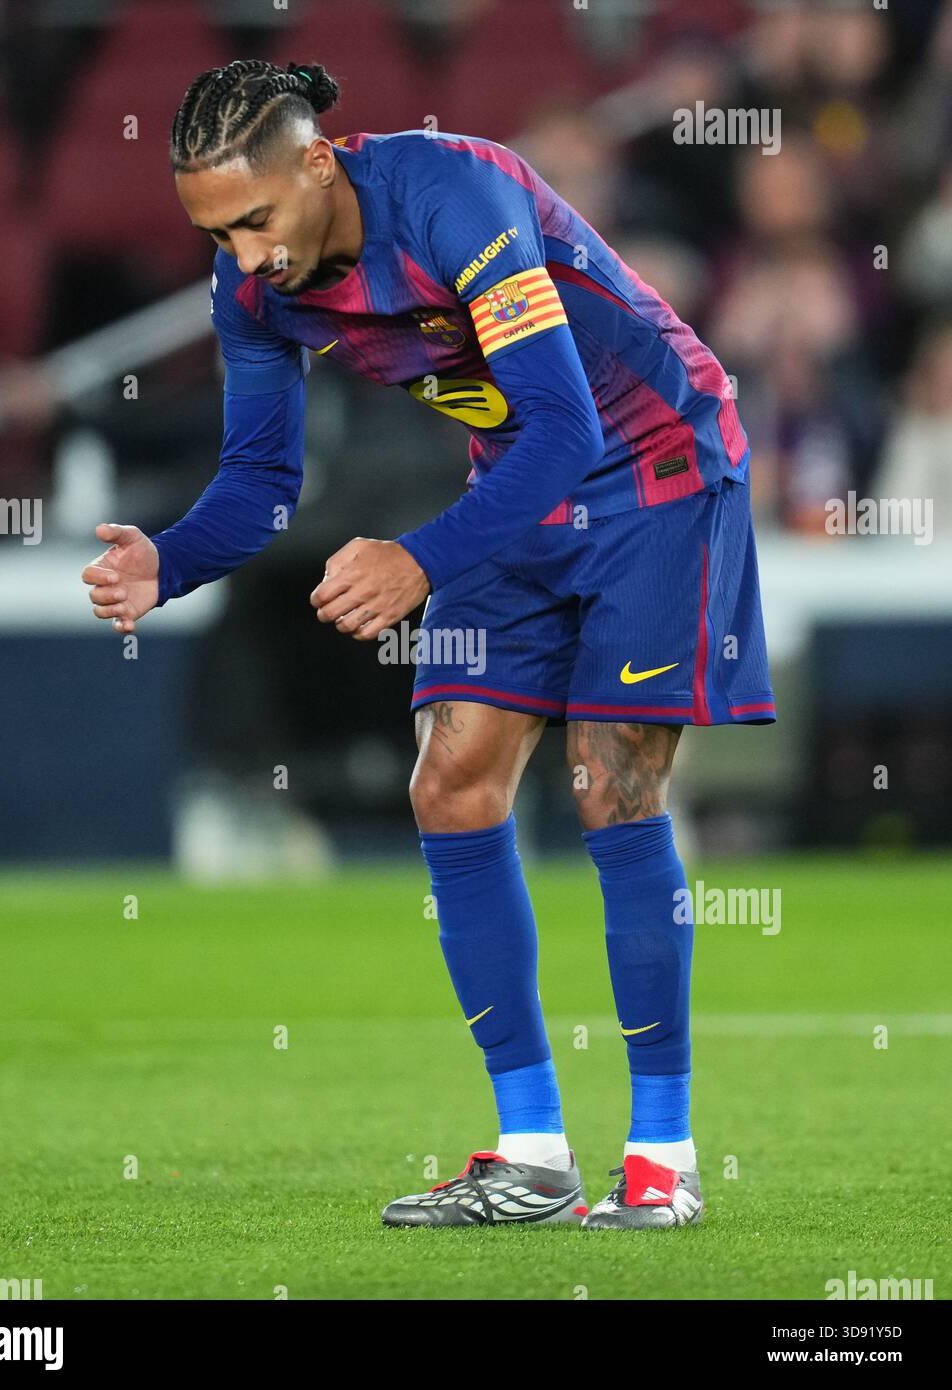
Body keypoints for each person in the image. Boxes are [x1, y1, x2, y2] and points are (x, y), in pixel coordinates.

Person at [81, 59, 776, 1230]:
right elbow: (259, 479)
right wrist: (171, 558)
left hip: (655, 469)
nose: (245, 258)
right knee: (449, 786)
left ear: (317, 161)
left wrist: (418, 559)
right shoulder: (256, 289)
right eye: (217, 233)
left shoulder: (456, 197)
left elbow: (563, 425)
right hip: (515, 489)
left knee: (609, 785)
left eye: (254, 221)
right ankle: (533, 1154)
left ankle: (662, 1154)